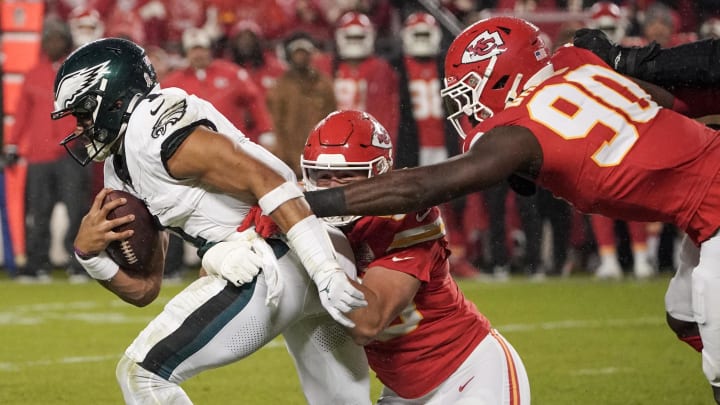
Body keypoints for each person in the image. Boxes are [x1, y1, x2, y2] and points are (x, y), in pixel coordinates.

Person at [301, 16, 720, 403]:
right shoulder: (580, 65)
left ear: (503, 76)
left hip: (714, 209)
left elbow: (422, 186)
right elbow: (670, 101)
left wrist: (305, 204)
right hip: (704, 206)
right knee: (683, 314)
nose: (466, 109)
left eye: (468, 92)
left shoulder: (518, 131)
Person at [51, 37, 369, 404]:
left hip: (279, 257)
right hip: (301, 256)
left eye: (83, 113)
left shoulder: (150, 128)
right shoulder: (121, 166)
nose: (79, 128)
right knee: (341, 402)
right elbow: (145, 288)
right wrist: (90, 257)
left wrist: (324, 269)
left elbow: (267, 180)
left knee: (143, 375)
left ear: (112, 99)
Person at [300, 110, 530, 403]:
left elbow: (367, 322)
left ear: (380, 173)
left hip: (469, 375)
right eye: (322, 177)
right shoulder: (301, 206)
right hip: (401, 392)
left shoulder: (404, 218)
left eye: (347, 176)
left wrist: (310, 249)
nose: (331, 189)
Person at [4, 17, 92, 283]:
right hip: (39, 155)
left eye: (56, 38)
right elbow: (22, 113)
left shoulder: (77, 71)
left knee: (77, 210)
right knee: (38, 212)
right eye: (48, 38)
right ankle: (36, 264)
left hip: (72, 153)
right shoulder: (33, 73)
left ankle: (77, 264)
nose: (52, 43)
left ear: (65, 41)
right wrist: (12, 145)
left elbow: (90, 108)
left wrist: (88, 136)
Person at [162, 27, 275, 145]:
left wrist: (265, 129)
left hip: (233, 139)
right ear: (186, 53)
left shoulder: (232, 72)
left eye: (202, 49)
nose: (198, 54)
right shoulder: (172, 82)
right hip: (195, 144)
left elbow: (254, 100)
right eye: (193, 50)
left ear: (209, 50)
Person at [266, 31, 336, 176]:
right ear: (290, 55)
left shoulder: (324, 84)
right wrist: (285, 158)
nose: (301, 57)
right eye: (297, 53)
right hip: (290, 159)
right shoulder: (280, 87)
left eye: (304, 52)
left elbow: (331, 118)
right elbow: (277, 124)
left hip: (320, 157)